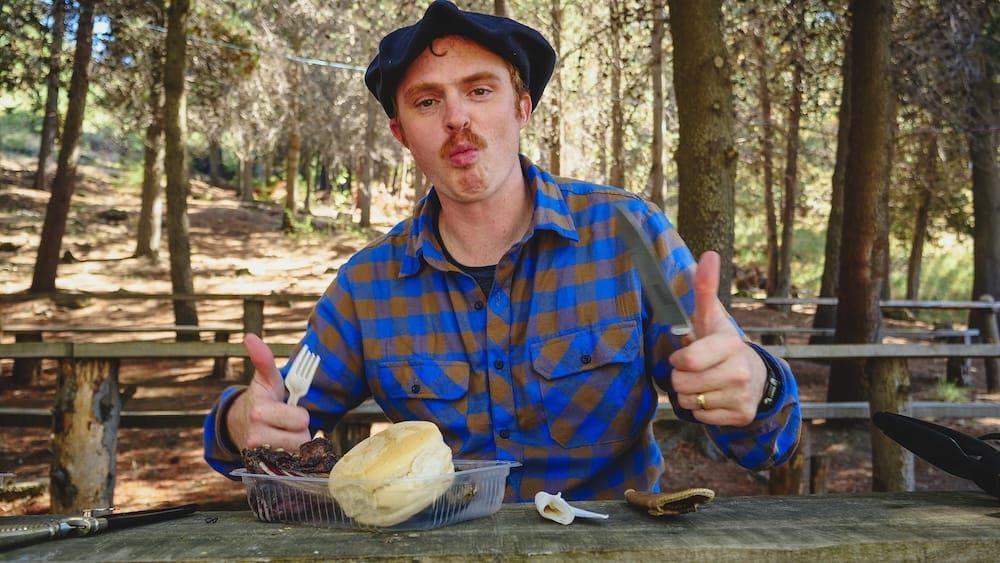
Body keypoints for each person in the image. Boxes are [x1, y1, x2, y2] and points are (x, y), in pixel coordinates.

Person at [204, 0, 801, 502]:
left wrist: (756, 385)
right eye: (427, 101)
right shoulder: (367, 288)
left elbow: (765, 442)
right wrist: (241, 423)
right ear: (401, 133)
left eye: (479, 90)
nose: (457, 118)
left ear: (522, 106)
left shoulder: (629, 237)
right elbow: (281, 416)